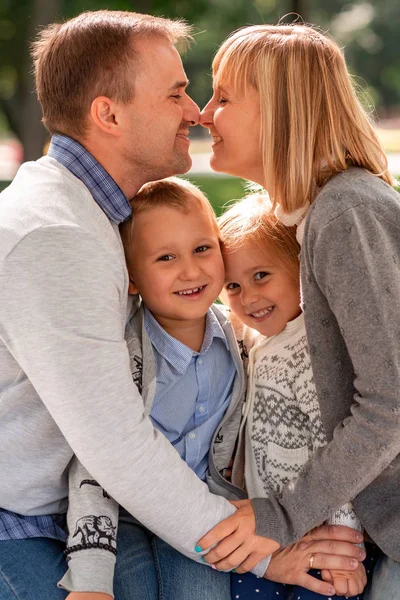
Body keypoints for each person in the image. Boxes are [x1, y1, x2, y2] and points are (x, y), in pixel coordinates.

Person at [0, 12, 366, 599]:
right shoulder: (56, 235)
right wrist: (259, 553)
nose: (196, 111)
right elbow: (116, 446)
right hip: (24, 524)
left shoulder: (93, 216)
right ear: (109, 114)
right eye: (175, 93)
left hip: (97, 513)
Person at [60, 179, 364, 600]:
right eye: (166, 257)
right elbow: (93, 464)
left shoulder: (240, 338)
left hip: (204, 513)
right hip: (122, 518)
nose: (190, 270)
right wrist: (91, 579)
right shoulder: (123, 356)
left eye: (202, 249)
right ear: (130, 278)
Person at [198, 22, 400, 600]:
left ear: (282, 108)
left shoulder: (345, 212)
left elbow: (389, 404)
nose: (206, 114)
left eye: (225, 97)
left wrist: (279, 516)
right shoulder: (315, 217)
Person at [218, 192, 380, 599]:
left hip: (321, 537)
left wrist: (344, 547)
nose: (248, 297)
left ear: (300, 268)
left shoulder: (309, 350)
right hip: (273, 527)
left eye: (261, 276)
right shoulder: (257, 340)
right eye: (232, 285)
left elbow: (335, 443)